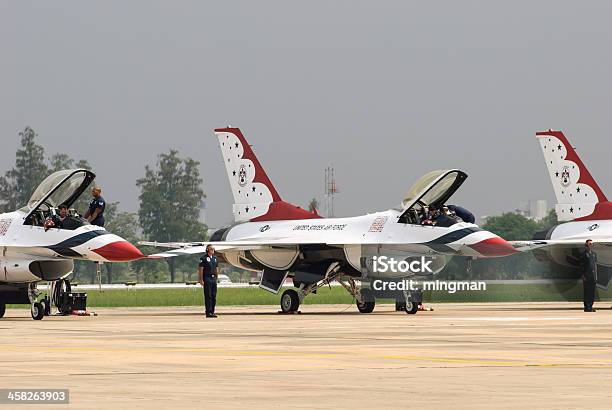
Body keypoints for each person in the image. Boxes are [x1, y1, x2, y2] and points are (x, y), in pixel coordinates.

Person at [199, 245, 219, 318]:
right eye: (211, 249)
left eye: (213, 249)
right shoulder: (203, 258)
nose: (213, 250)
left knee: (214, 296)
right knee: (208, 296)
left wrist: (216, 277)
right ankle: (208, 312)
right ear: (207, 250)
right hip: (207, 278)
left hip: (213, 278)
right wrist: (201, 279)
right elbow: (201, 269)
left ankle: (212, 311)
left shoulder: (215, 258)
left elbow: (216, 268)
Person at [582, 239, 598, 312]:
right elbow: (581, 265)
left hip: (593, 275)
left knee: (592, 291)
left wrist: (596, 275)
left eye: (592, 244)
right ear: (586, 245)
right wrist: (583, 275)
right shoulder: (584, 254)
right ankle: (587, 306)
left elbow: (595, 265)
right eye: (590, 244)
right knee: (587, 291)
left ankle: (591, 306)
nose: (591, 245)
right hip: (586, 275)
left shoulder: (594, 254)